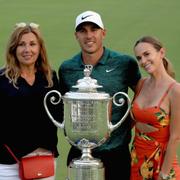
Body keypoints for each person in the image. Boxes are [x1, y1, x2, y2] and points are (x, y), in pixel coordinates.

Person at [58, 10, 141, 180]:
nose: (89, 36)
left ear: (103, 33)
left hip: (117, 153)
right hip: (78, 153)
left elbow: (142, 95)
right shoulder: (67, 68)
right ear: (76, 36)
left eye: (94, 29)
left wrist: (124, 123)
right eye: (83, 31)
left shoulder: (124, 63)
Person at [0, 22, 62, 180]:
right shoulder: (1, 78)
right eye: (21, 44)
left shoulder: (50, 77)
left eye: (32, 44)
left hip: (44, 161)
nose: (27, 50)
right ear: (14, 49)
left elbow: (59, 116)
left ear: (40, 48)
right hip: (9, 165)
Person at [130, 36, 180, 180]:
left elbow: (175, 137)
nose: (143, 61)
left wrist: (163, 175)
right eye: (139, 58)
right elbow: (133, 118)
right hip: (137, 162)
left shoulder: (175, 90)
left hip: (162, 165)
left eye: (147, 54)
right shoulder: (141, 84)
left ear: (161, 53)